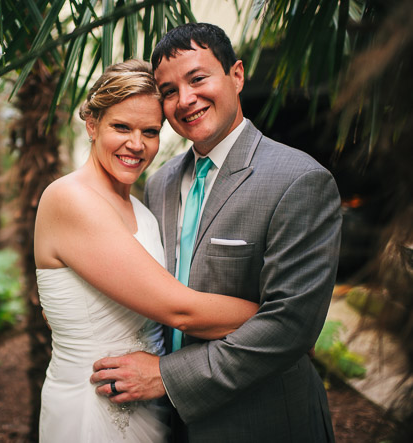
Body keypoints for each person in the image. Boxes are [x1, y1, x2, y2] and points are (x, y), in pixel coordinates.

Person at [90, 23, 342, 442]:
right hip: (166, 424)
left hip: (263, 422)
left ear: (237, 75)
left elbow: (290, 327)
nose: (185, 100)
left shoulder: (300, 180)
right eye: (168, 91)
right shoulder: (160, 183)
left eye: (198, 78)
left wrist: (167, 377)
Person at [34, 59, 258, 442]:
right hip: (93, 405)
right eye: (121, 127)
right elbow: (179, 308)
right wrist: (278, 317)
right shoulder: (70, 198)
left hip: (151, 400)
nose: (136, 145)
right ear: (92, 124)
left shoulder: (142, 207)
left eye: (150, 132)